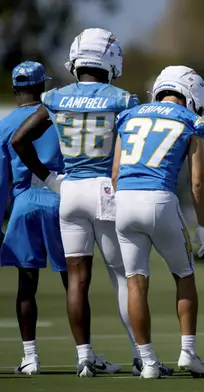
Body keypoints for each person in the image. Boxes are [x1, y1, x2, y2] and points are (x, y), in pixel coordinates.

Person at [11, 28, 146, 377]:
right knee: (122, 275)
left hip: (69, 191)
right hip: (105, 190)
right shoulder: (122, 99)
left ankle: (84, 356)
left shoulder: (56, 97)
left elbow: (19, 139)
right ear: (109, 60)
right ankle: (139, 355)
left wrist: (50, 178)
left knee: (76, 279)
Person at [111, 66, 204, 379]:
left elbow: (114, 173)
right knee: (184, 274)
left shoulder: (129, 115)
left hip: (124, 201)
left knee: (136, 282)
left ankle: (149, 361)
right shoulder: (191, 120)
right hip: (160, 199)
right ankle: (188, 353)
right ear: (191, 94)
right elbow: (197, 182)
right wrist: (203, 225)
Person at [0, 62, 66, 375]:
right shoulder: (56, 116)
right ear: (42, 88)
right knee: (75, 282)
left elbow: (1, 182)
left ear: (15, 89)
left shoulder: (4, 124)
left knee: (26, 285)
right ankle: (86, 355)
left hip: (23, 205)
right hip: (59, 201)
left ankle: (30, 358)